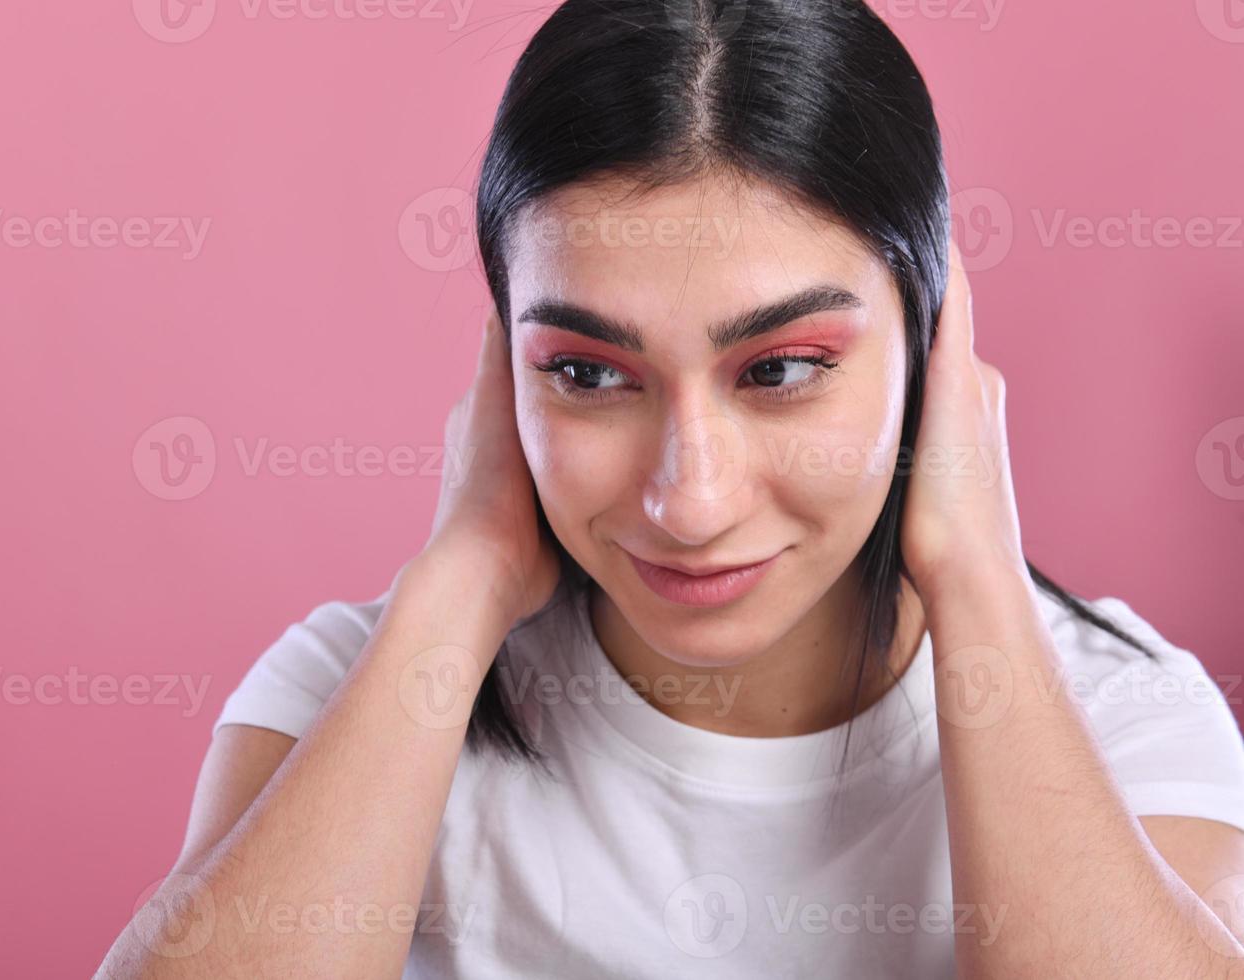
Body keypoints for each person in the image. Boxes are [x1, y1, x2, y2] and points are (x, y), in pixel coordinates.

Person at [98, 0, 1244, 975]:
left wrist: (980, 571)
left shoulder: (1125, 717)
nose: (689, 501)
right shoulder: (361, 692)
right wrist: (462, 576)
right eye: (588, 373)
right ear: (506, 372)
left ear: (929, 349)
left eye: (784, 369)